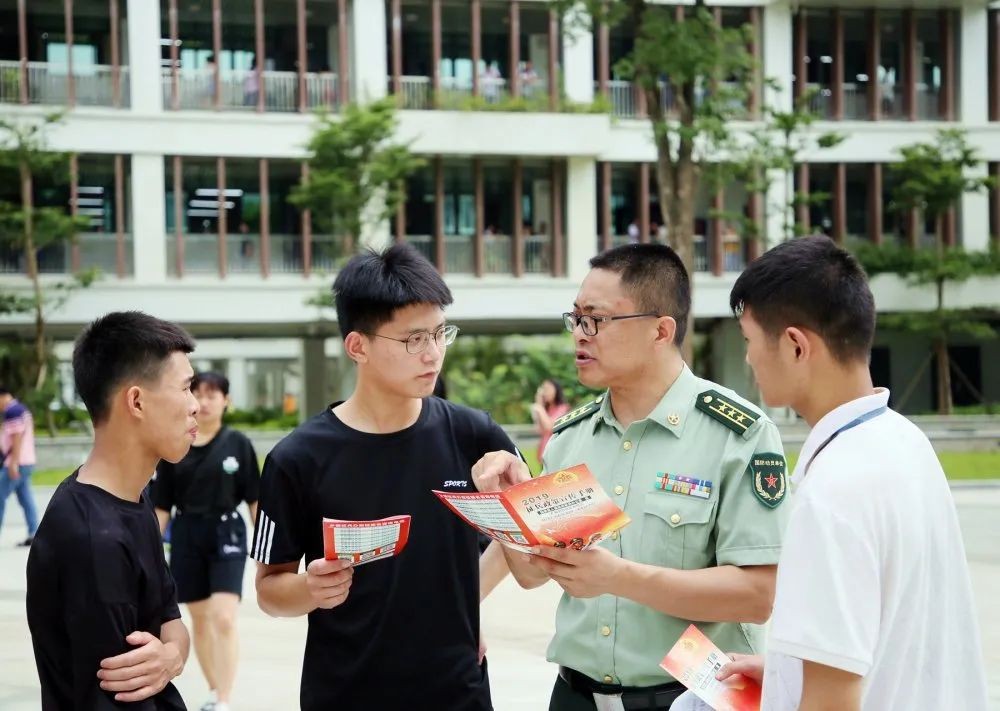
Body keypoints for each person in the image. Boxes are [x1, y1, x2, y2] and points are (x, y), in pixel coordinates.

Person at [471, 243, 790, 711]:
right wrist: (509, 508)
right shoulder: (571, 438)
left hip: (690, 698)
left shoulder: (737, 435)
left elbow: (757, 596)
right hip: (576, 697)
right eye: (576, 318)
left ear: (661, 330)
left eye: (596, 319)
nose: (580, 334)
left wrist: (618, 577)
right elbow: (533, 574)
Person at [706, 235, 989, 710]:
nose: (750, 358)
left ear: (796, 346)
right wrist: (787, 671)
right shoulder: (904, 441)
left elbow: (832, 701)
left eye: (750, 341)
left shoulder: (833, 490)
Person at [251, 243, 515, 709]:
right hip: (347, 693)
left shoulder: (474, 435)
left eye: (440, 334)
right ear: (359, 346)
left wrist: (463, 607)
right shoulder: (298, 458)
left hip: (458, 693)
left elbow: (517, 546)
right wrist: (310, 589)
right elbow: (269, 590)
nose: (433, 354)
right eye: (414, 340)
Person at [25, 311, 196, 709]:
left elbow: (172, 625)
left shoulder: (134, 499)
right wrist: (169, 655)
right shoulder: (91, 537)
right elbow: (119, 695)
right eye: (185, 388)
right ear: (136, 401)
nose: (195, 406)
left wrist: (171, 657)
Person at [153, 371, 260, 711]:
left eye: (213, 395)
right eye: (198, 393)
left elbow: (254, 499)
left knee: (223, 617)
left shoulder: (238, 444)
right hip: (187, 534)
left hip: (228, 533)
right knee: (199, 620)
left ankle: (224, 700)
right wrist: (147, 549)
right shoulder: (175, 443)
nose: (205, 401)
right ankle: (215, 691)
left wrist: (269, 551)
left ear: (226, 401)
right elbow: (161, 504)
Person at [0, 385, 40, 547]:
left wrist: (14, 463)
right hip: (27, 461)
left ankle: (34, 532)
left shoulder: (12, 411)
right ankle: (34, 533)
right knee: (25, 498)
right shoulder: (21, 409)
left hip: (17, 463)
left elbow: (16, 438)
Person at [530, 378, 569, 461]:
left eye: (547, 389)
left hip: (556, 454)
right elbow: (539, 430)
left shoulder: (563, 408)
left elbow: (550, 428)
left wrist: (540, 408)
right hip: (544, 454)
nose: (545, 392)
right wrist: (540, 403)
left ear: (556, 390)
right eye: (544, 389)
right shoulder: (546, 410)